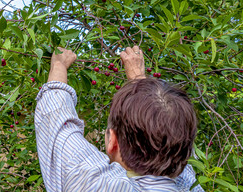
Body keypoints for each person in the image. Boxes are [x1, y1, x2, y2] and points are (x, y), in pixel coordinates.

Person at [35, 46, 204, 191]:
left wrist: (58, 65)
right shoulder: (190, 185)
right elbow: (169, 130)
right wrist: (139, 82)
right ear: (186, 150)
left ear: (112, 142)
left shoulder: (96, 184)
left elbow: (56, 121)